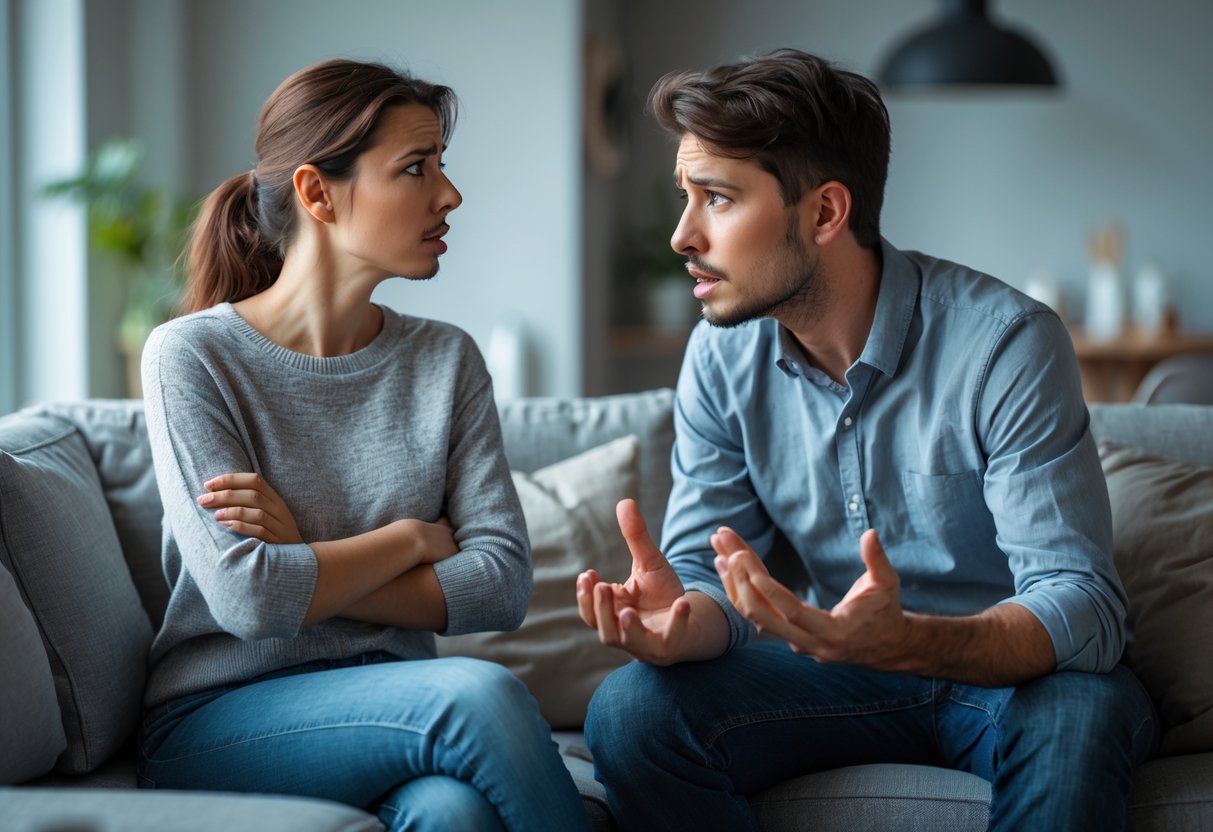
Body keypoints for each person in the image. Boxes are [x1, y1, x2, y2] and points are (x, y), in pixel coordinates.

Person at [578, 48, 1157, 831]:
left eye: (715, 198)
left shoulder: (1004, 342)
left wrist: (910, 640)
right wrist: (685, 620)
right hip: (840, 676)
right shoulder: (720, 355)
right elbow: (704, 575)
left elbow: (1083, 607)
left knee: (1078, 717)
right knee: (631, 711)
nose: (683, 235)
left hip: (1016, 680)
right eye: (686, 197)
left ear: (823, 213)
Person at [137, 58, 588, 832]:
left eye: (440, 167)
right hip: (221, 718)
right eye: (415, 168)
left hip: (391, 700)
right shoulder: (192, 356)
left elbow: (500, 586)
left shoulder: (445, 360)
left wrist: (304, 552)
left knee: (455, 816)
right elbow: (249, 598)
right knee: (477, 695)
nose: (449, 195)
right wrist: (410, 540)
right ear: (317, 193)